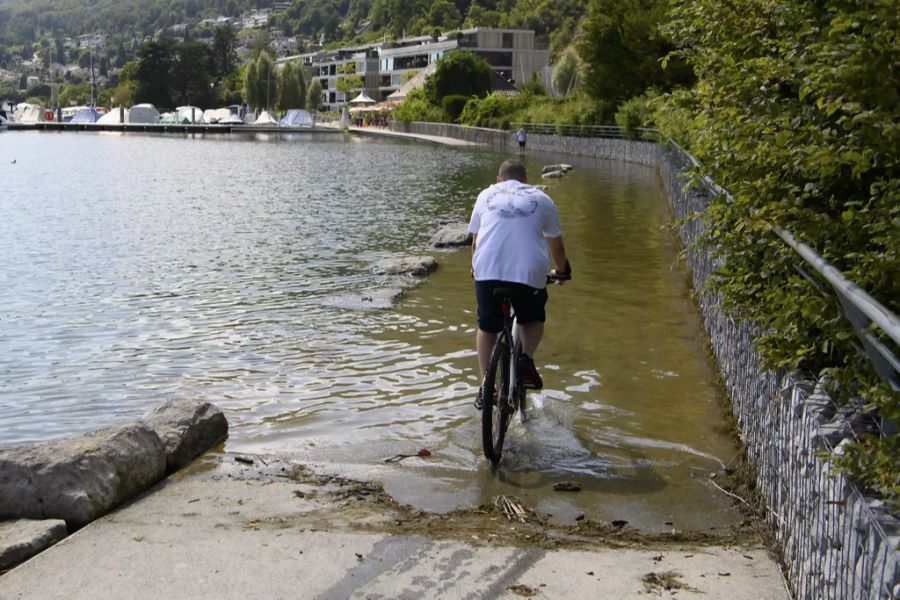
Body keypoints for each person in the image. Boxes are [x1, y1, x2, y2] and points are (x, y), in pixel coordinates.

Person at [468, 159, 571, 407]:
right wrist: (562, 270)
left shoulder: (485, 195)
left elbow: (475, 241)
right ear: (526, 181)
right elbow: (555, 245)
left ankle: (485, 387)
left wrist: (475, 268)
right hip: (528, 273)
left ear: (498, 180)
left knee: (487, 327)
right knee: (533, 319)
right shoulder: (541, 199)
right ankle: (525, 358)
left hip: (488, 270)